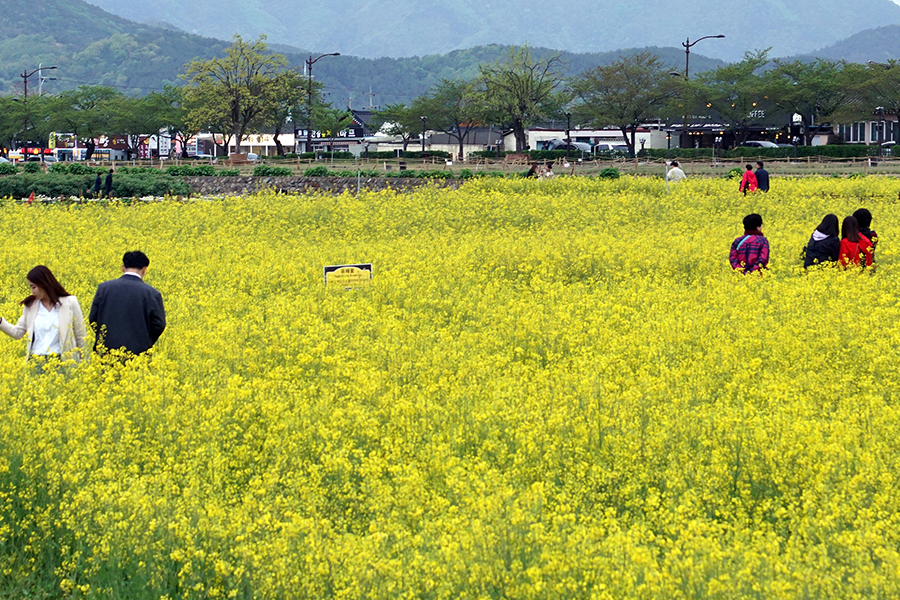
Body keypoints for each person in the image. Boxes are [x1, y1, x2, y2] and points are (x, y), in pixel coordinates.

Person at [0, 266, 86, 362]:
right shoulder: (31, 306)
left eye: (34, 287)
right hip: (36, 361)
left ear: (44, 284)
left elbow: (80, 335)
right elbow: (17, 333)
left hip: (63, 361)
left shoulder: (70, 302)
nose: (32, 291)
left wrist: (85, 363)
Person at [89, 251, 166, 356]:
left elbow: (93, 318)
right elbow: (159, 324)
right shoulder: (152, 294)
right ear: (144, 270)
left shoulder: (104, 288)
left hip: (106, 351)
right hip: (138, 354)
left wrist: (105, 338)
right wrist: (144, 341)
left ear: (123, 268)